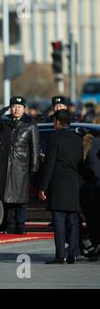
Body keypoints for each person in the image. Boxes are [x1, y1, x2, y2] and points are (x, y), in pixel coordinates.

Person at [0, 96, 40, 235]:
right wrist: (0, 112)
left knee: (20, 200)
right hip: (7, 166)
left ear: (24, 109)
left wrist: (33, 168)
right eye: (14, 106)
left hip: (21, 167)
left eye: (19, 107)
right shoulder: (5, 122)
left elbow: (34, 148)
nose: (16, 109)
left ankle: (21, 226)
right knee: (8, 198)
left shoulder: (30, 124)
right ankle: (10, 226)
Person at [39, 110, 84, 264]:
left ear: (57, 122)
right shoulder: (78, 139)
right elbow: (80, 164)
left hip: (58, 184)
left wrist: (43, 187)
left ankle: (60, 255)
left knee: (59, 220)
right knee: (73, 220)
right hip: (73, 184)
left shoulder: (54, 138)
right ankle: (73, 253)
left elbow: (49, 164)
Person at [79, 131, 100, 261]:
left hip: (88, 189)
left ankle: (94, 248)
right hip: (96, 187)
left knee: (92, 221)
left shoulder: (88, 148)